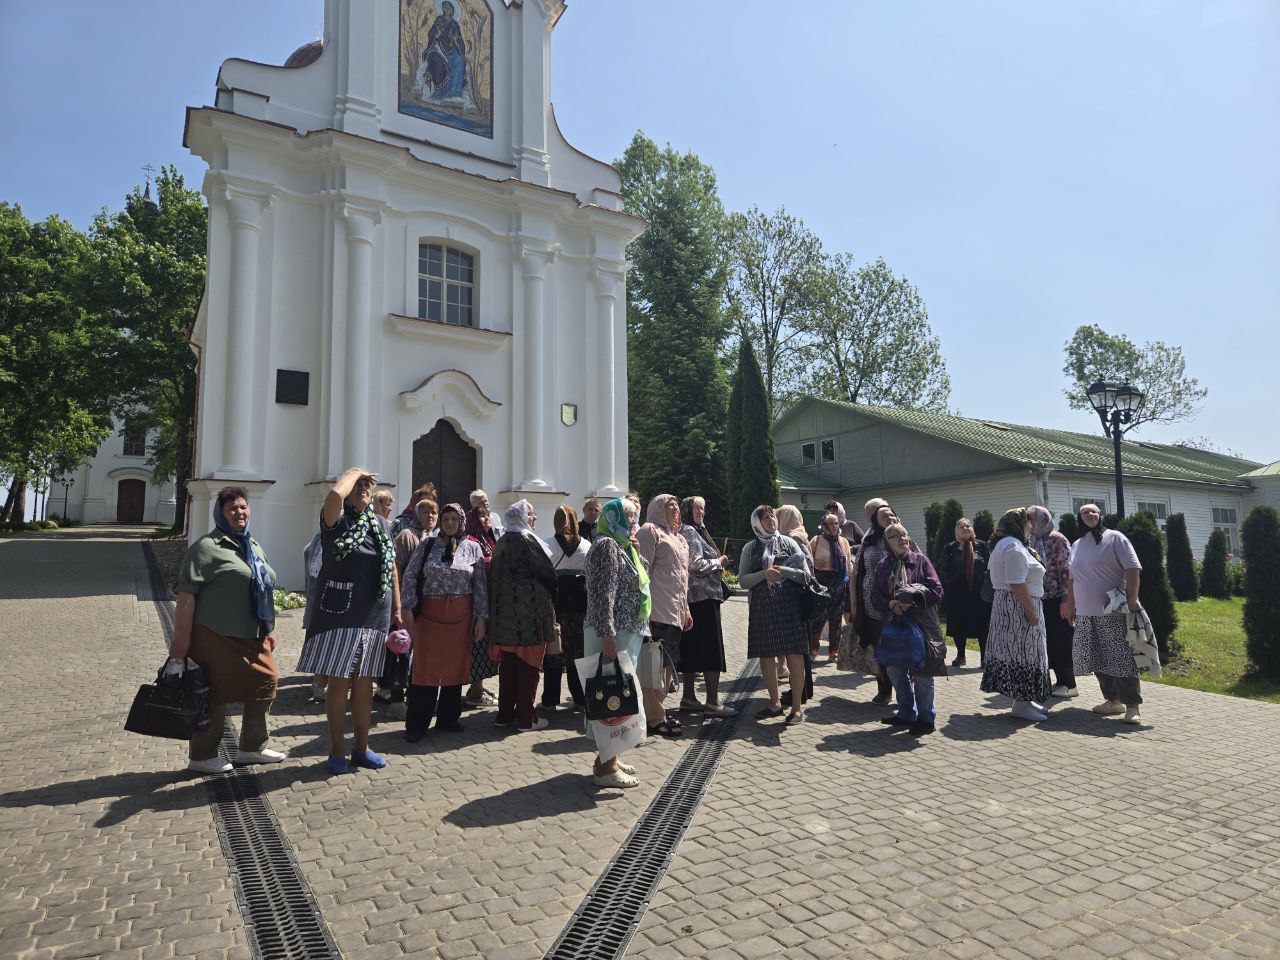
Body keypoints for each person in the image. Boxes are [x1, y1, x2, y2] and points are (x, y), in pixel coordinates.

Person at [169, 487, 283, 774]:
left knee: (265, 683)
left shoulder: (253, 545)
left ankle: (251, 747)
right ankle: (203, 756)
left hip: (253, 634)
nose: (239, 512)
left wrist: (268, 628)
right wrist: (181, 640)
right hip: (215, 634)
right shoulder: (206, 547)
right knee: (215, 694)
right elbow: (186, 594)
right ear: (220, 514)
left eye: (243, 507)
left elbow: (264, 587)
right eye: (232, 508)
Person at [297, 467, 401, 774]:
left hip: (375, 615)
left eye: (368, 485)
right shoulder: (337, 522)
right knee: (339, 682)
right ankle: (336, 751)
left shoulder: (379, 524)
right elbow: (333, 496)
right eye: (358, 485)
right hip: (340, 614)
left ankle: (362, 748)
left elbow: (392, 567)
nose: (364, 489)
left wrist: (397, 609)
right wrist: (354, 473)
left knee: (364, 684)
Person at [400, 503, 489, 740]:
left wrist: (481, 618)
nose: (449, 523)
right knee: (424, 670)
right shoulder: (427, 545)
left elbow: (480, 585)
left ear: (461, 522)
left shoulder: (473, 548)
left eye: (454, 519)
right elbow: (410, 576)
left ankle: (448, 719)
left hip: (461, 618)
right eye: (446, 518)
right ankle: (417, 725)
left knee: (455, 669)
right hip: (429, 618)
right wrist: (407, 608)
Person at [583, 498, 649, 788]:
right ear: (614, 518)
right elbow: (603, 595)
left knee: (620, 697)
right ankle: (606, 768)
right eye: (629, 516)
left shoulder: (621, 545)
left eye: (635, 516)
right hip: (613, 633)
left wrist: (635, 550)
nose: (633, 522)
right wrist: (607, 636)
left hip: (625, 632)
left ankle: (609, 757)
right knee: (611, 697)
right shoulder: (606, 546)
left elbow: (637, 580)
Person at [1065, 504, 1145, 724]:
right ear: (1079, 518)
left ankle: (1132, 707)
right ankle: (1113, 700)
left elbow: (1133, 569)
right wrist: (1070, 606)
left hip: (1112, 611)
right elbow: (1071, 580)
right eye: (1085, 512)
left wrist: (1132, 600)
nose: (1091, 514)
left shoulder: (1115, 538)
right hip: (1085, 613)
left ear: (1100, 515)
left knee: (1121, 658)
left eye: (1095, 511)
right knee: (1096, 659)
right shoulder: (1077, 544)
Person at [740, 505, 813, 725]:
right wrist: (764, 574)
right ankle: (775, 704)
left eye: (772, 515)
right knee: (766, 656)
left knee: (795, 656)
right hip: (762, 608)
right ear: (756, 522)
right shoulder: (750, 548)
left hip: (790, 608)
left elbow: (806, 576)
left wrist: (784, 571)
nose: (771, 519)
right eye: (765, 517)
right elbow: (743, 580)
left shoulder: (789, 543)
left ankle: (797, 709)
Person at [872, 522, 947, 735]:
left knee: (923, 674)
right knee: (895, 671)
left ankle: (926, 719)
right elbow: (875, 596)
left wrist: (912, 599)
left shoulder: (921, 561)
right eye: (895, 536)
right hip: (894, 627)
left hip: (922, 627)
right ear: (887, 543)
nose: (902, 539)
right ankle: (906, 713)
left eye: (904, 534)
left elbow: (937, 590)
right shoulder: (884, 565)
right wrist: (890, 603)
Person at [488, 500, 557, 731]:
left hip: (505, 619)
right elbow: (547, 573)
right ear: (522, 517)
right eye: (531, 514)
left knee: (509, 668)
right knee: (529, 667)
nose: (534, 518)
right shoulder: (527, 540)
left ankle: (505, 715)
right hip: (528, 618)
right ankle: (527, 719)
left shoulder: (502, 541)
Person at [980, 508, 1053, 721]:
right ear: (1018, 524)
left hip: (1013, 604)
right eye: (1028, 522)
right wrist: (1031, 611)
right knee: (1023, 652)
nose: (1031, 526)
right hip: (1017, 606)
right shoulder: (1012, 546)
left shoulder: (1011, 544)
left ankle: (1025, 700)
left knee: (1025, 652)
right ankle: (1021, 704)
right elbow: (1016, 582)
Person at [636, 494, 692, 737]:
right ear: (658, 508)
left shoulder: (679, 537)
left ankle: (656, 712)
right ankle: (654, 718)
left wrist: (686, 609)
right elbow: (642, 571)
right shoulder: (649, 531)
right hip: (656, 611)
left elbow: (683, 578)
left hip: (675, 613)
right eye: (670, 505)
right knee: (652, 670)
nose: (675, 509)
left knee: (667, 669)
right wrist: (642, 611)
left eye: (677, 505)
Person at [377, 498, 438, 717]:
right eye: (425, 512)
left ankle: (415, 697)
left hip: (427, 605)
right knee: (401, 650)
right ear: (416, 515)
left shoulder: (435, 538)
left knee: (419, 653)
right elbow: (396, 569)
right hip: (406, 604)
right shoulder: (406, 536)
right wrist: (400, 603)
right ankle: (396, 701)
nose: (430, 516)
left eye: (434, 513)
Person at [677, 496, 733, 716]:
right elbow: (696, 565)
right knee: (711, 650)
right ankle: (712, 702)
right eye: (697, 508)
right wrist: (718, 562)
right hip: (703, 598)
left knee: (691, 649)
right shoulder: (691, 531)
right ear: (687, 510)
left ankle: (689, 698)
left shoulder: (690, 530)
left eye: (703, 508)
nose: (701, 512)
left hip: (694, 599)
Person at [544, 505, 590, 711]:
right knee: (578, 654)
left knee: (554, 652)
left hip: (556, 606)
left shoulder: (547, 544)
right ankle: (580, 697)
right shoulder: (587, 545)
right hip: (580, 606)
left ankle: (550, 700)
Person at [1028, 506, 1077, 698]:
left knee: (1062, 641)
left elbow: (1067, 571)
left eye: (1033, 519)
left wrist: (1067, 599)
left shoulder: (1057, 539)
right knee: (1050, 642)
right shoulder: (1033, 540)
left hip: (1058, 599)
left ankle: (1070, 684)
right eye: (1028, 520)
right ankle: (1060, 681)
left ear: (1043, 520)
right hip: (1042, 598)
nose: (1030, 523)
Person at [853, 504, 898, 705]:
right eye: (884, 516)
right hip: (872, 604)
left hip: (899, 603)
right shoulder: (868, 542)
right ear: (875, 521)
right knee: (879, 647)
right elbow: (855, 574)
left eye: (892, 515)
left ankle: (905, 690)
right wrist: (854, 606)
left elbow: (919, 564)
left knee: (900, 646)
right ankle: (884, 689)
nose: (889, 518)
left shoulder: (904, 538)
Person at [938, 518, 992, 667]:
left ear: (972, 529)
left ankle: (984, 658)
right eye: (961, 526)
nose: (965, 528)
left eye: (968, 526)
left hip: (980, 592)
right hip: (957, 593)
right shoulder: (949, 548)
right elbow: (943, 568)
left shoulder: (981, 546)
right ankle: (960, 656)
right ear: (956, 531)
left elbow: (990, 565)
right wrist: (953, 579)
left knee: (983, 625)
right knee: (958, 624)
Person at [462, 504, 499, 707]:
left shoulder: (489, 540)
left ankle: (478, 687)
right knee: (476, 645)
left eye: (487, 516)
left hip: (489, 601)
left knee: (483, 647)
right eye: (481, 516)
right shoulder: (470, 541)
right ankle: (475, 691)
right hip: (475, 603)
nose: (486, 519)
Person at [810, 513, 855, 663]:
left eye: (836, 523)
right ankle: (813, 649)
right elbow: (807, 561)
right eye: (830, 524)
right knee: (818, 619)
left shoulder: (843, 541)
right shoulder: (816, 541)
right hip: (821, 583)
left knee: (836, 620)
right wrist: (814, 564)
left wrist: (849, 582)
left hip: (840, 584)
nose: (834, 526)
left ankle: (833, 652)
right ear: (823, 526)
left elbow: (848, 563)